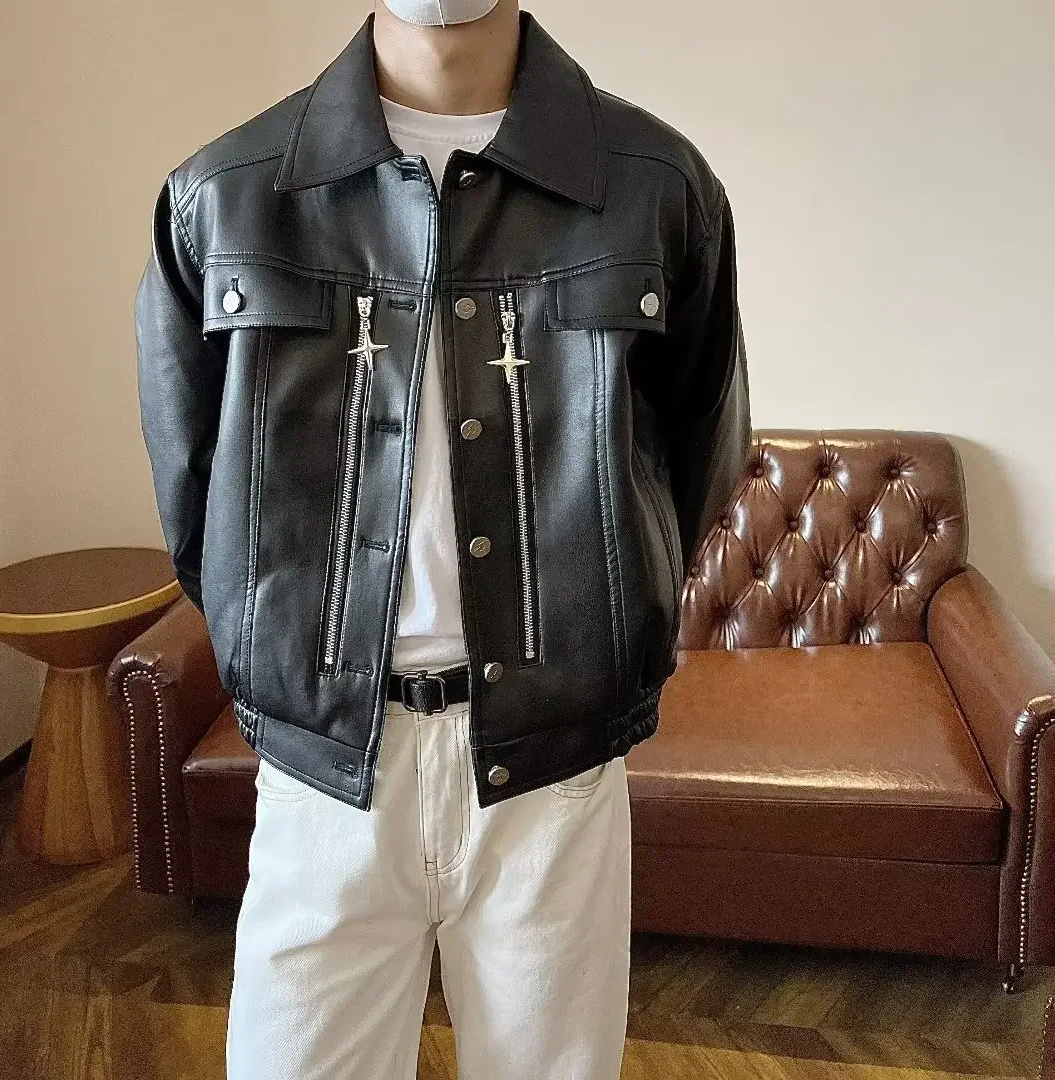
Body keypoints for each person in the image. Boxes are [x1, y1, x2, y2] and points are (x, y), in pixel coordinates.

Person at [133, 1, 752, 1077]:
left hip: (553, 782)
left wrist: (594, 638)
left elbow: (697, 456)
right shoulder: (225, 196)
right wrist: (289, 659)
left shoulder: (655, 187)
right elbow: (196, 497)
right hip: (322, 775)